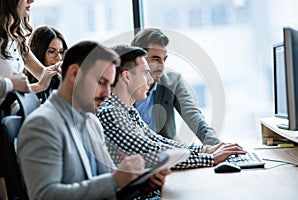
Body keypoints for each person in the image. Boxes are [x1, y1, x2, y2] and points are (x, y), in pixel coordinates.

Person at [17, 41, 170, 200]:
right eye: (101, 82)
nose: (107, 94)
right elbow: (46, 196)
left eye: (110, 85)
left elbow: (105, 184)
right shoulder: (42, 125)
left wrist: (140, 184)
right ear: (75, 74)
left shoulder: (91, 121)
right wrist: (114, 181)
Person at [97, 44, 246, 170]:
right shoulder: (111, 113)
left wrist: (205, 149)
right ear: (127, 76)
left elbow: (159, 141)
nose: (150, 80)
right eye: (145, 73)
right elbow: (156, 154)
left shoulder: (127, 111)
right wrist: (210, 159)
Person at [131, 28, 220, 150]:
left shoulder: (173, 82)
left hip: (169, 153)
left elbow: (194, 116)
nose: (162, 66)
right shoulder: (122, 86)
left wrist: (217, 146)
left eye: (164, 59)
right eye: (156, 59)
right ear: (139, 59)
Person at [0, 0, 59, 105]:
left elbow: (42, 73)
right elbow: (15, 87)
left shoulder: (17, 38)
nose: (31, 1)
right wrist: (37, 87)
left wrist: (59, 69)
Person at [24, 26, 68, 103]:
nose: (59, 58)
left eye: (61, 52)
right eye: (51, 51)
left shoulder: (63, 83)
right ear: (38, 52)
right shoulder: (23, 85)